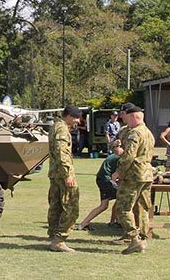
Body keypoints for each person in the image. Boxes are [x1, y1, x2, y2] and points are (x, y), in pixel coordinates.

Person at [112, 103, 155, 255]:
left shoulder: (134, 133)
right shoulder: (148, 132)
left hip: (134, 175)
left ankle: (134, 239)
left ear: (133, 116)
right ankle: (143, 236)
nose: (124, 120)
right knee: (143, 207)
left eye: (126, 117)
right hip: (147, 175)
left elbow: (129, 155)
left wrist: (118, 172)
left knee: (123, 208)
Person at [47, 104, 83, 252]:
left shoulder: (56, 126)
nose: (78, 121)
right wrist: (68, 174)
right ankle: (60, 238)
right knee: (71, 206)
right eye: (76, 118)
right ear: (68, 116)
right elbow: (62, 153)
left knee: (55, 205)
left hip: (56, 173)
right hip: (62, 174)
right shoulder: (61, 129)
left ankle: (54, 237)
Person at [75, 142, 125, 231]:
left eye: (118, 146)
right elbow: (117, 175)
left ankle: (112, 222)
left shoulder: (116, 157)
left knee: (113, 201)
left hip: (102, 179)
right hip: (105, 180)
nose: (116, 149)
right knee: (117, 199)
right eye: (115, 147)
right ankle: (114, 222)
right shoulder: (120, 158)